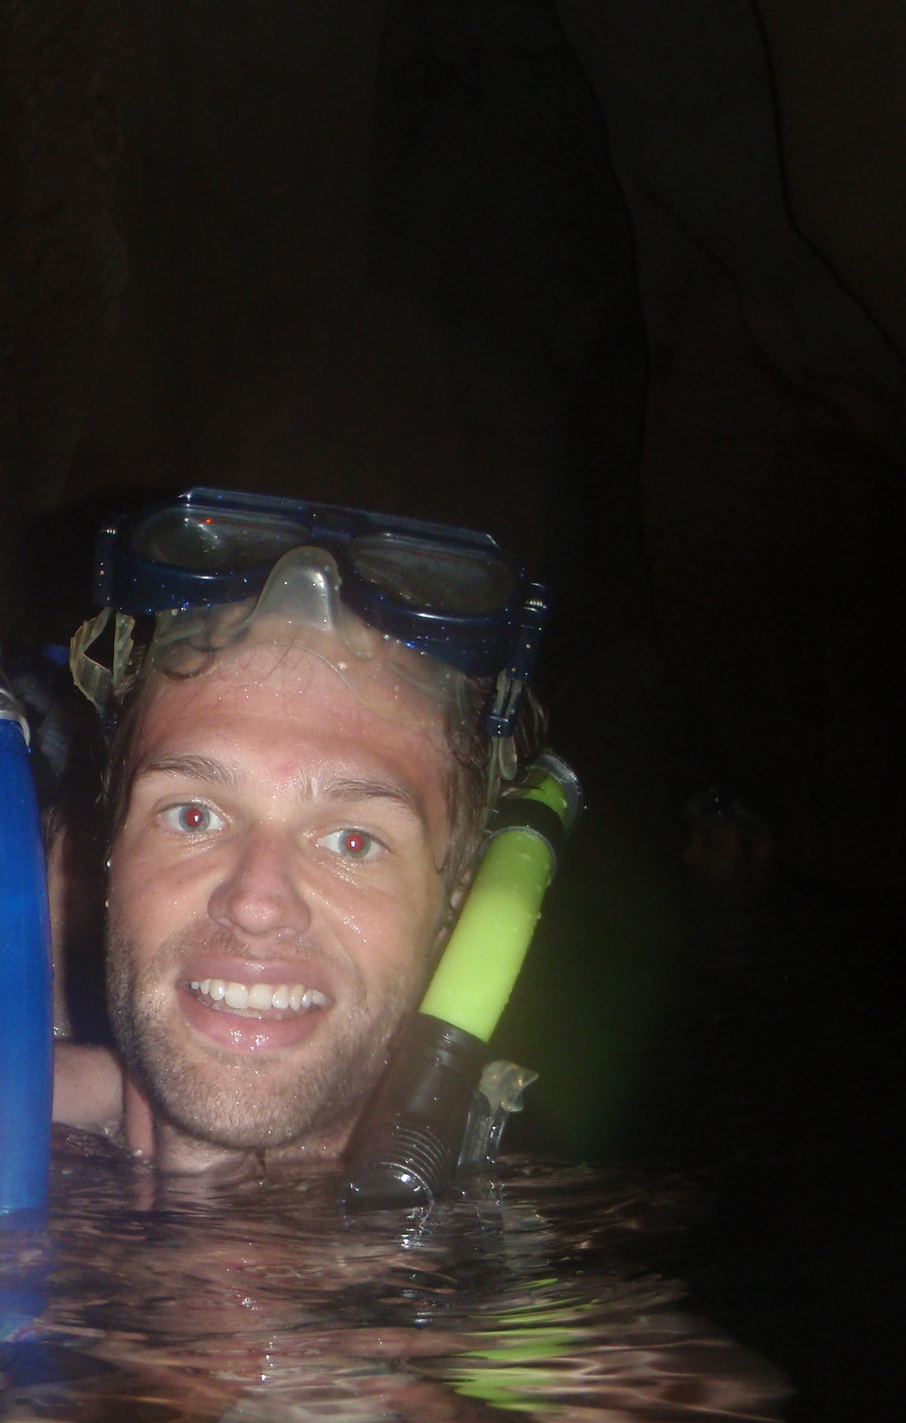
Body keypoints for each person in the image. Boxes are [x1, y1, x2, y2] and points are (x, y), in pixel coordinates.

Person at [51, 489, 550, 1178]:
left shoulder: (562, 1237)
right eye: (194, 816)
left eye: (353, 842)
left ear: (456, 910)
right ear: (105, 858)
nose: (257, 904)